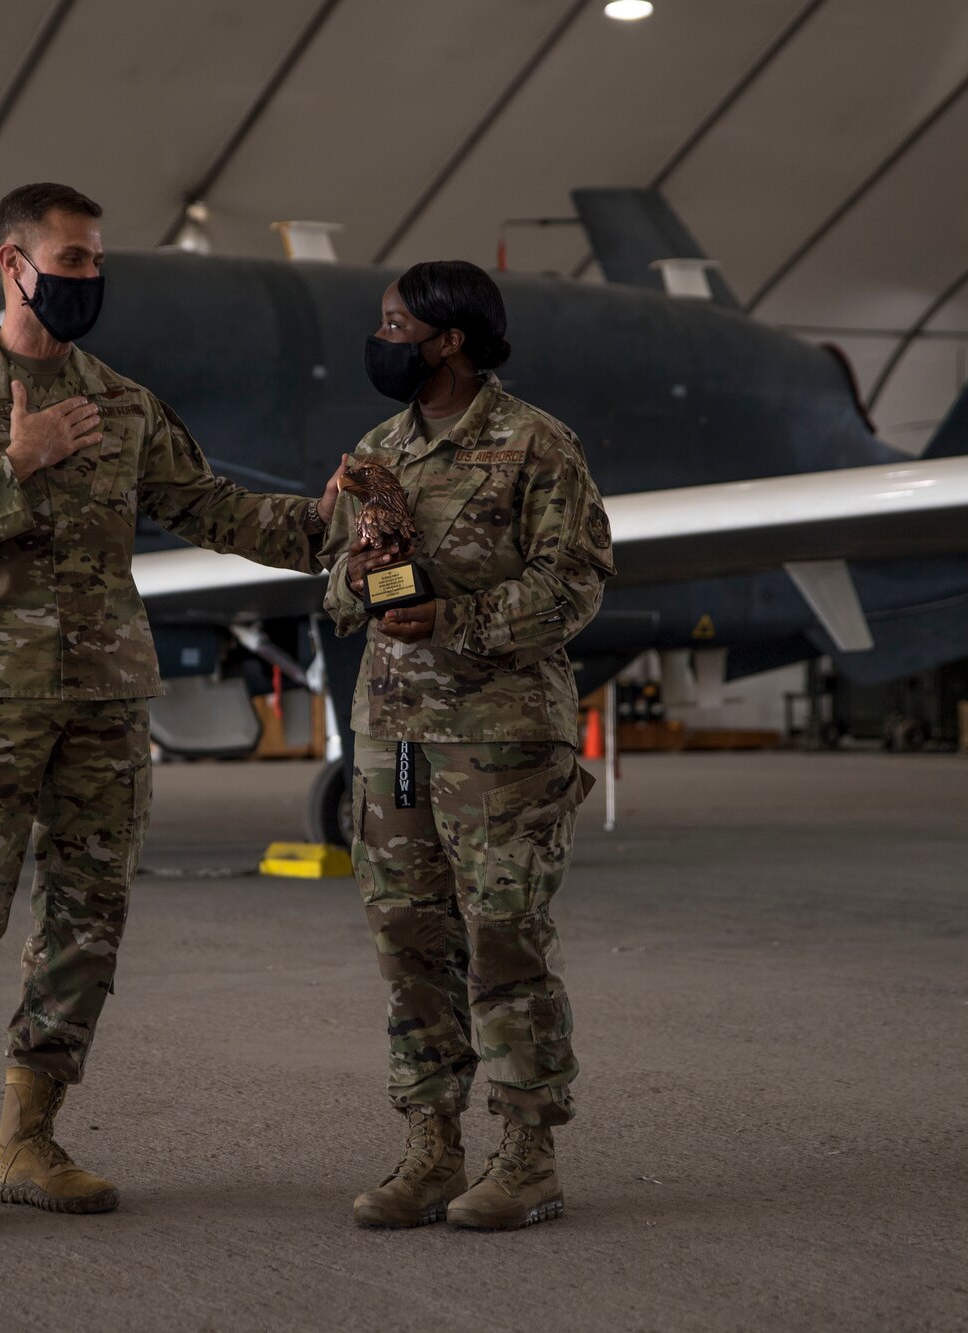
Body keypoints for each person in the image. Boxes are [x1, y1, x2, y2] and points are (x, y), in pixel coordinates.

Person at [0, 183, 337, 1240]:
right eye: (71, 261)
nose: (89, 280)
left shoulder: (120, 402)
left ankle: (26, 1139)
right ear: (12, 265)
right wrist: (14, 467)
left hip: (106, 701)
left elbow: (208, 504)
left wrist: (330, 525)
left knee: (85, 928)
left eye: (94, 263)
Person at [322, 260, 614, 1232]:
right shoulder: (374, 451)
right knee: (409, 944)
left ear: (447, 340)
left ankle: (527, 1156)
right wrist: (363, 575)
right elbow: (331, 590)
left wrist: (451, 620)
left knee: (501, 945)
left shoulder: (535, 444)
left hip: (499, 743)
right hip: (393, 740)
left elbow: (572, 583)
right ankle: (430, 1148)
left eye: (395, 322)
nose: (382, 336)